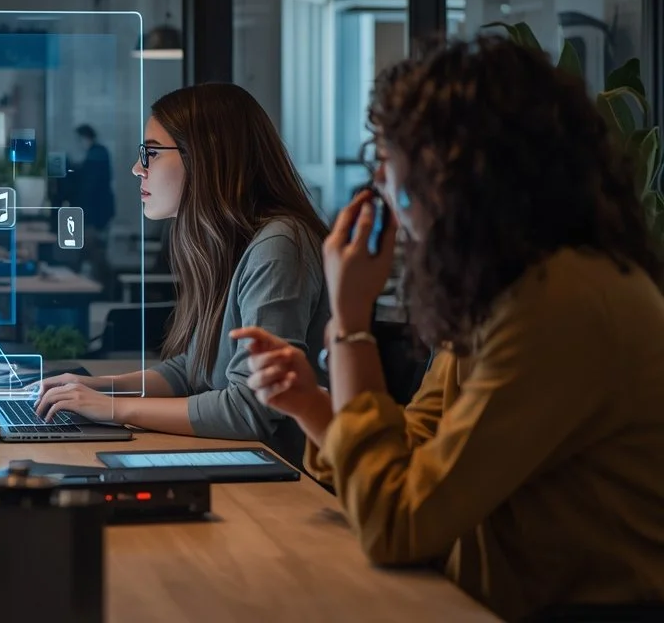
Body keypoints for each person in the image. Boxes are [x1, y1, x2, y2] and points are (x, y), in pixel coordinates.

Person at [238, 36, 664, 620]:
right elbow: (412, 457)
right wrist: (311, 405)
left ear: (461, 169)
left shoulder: (562, 300)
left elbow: (399, 521)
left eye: (392, 162)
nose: (382, 185)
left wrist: (352, 324)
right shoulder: (507, 287)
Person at [34, 83, 329, 465]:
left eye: (151, 153)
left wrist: (110, 409)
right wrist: (96, 388)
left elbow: (248, 410)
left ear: (204, 157)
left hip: (286, 480)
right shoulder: (228, 243)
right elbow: (193, 369)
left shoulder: (279, 245)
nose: (137, 168)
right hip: (241, 462)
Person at [63, 124, 115, 292]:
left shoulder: (97, 154)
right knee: (92, 251)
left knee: (93, 251)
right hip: (97, 212)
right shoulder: (98, 153)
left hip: (95, 213)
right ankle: (101, 287)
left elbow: (90, 186)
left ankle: (103, 288)